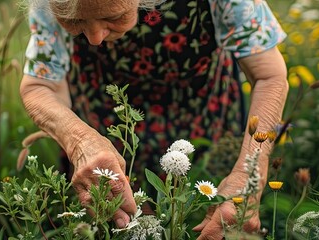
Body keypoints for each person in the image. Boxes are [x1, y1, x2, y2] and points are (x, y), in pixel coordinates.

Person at [19, 0, 288, 239]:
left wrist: (248, 175)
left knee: (196, 215)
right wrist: (80, 142)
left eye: (113, 17)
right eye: (75, 21)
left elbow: (270, 77)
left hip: (201, 118)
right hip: (105, 121)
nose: (94, 38)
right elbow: (39, 87)